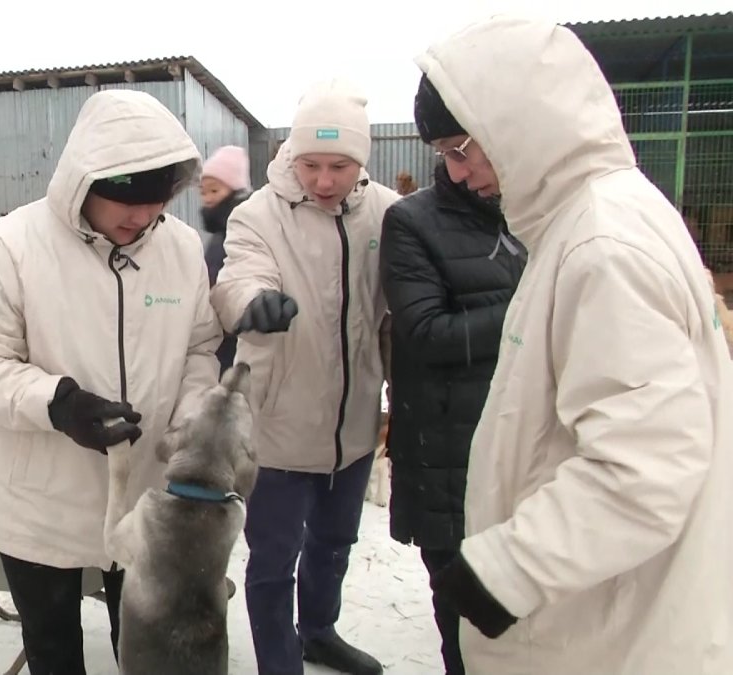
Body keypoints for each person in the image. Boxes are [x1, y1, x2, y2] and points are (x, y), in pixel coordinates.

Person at [413, 15, 733, 674]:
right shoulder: (596, 218)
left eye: (459, 149)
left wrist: (507, 568)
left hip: (613, 634)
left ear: (516, 121)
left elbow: (644, 468)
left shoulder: (601, 247)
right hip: (611, 611)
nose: (458, 174)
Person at [0, 88, 222, 675]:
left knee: (146, 651)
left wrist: (192, 416)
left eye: (156, 203)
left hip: (144, 497)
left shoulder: (181, 248)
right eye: (126, 204)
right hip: (37, 501)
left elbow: (200, 346)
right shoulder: (8, 247)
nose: (142, 219)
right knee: (55, 654)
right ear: (83, 184)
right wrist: (58, 403)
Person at [211, 80, 399, 675]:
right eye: (310, 164)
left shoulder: (388, 213)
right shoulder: (258, 215)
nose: (323, 181)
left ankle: (318, 630)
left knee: (335, 542)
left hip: (354, 419)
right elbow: (236, 276)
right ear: (290, 156)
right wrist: (254, 302)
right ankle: (278, 662)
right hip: (280, 422)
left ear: (361, 161)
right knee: (272, 558)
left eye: (340, 166)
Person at [380, 154, 526, 675]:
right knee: (470, 637)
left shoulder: (545, 214)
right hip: (449, 465)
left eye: (469, 149)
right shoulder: (412, 222)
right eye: (449, 151)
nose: (461, 169)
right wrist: (535, 305)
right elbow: (425, 333)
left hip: (533, 461)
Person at [199, 145, 252, 374]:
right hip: (219, 338)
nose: (207, 198)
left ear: (234, 189)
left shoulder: (243, 229)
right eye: (203, 191)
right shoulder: (219, 230)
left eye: (214, 190)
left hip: (236, 342)